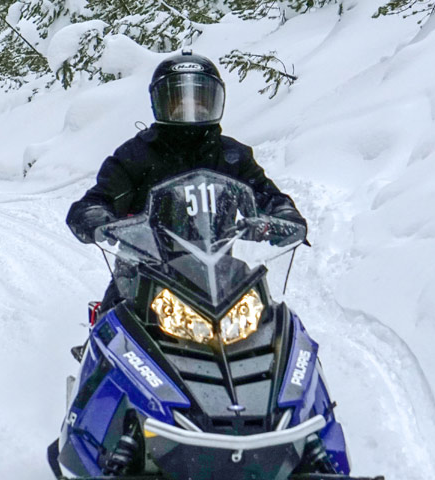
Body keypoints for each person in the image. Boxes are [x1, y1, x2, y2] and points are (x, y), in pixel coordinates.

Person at [65, 51, 307, 310]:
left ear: (216, 100)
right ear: (160, 102)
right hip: (144, 275)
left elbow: (267, 194)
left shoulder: (232, 156)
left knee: (274, 324)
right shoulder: (135, 155)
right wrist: (96, 217)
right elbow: (98, 198)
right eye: (178, 101)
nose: (190, 109)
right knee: (114, 319)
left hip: (221, 279)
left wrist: (283, 215)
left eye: (200, 99)